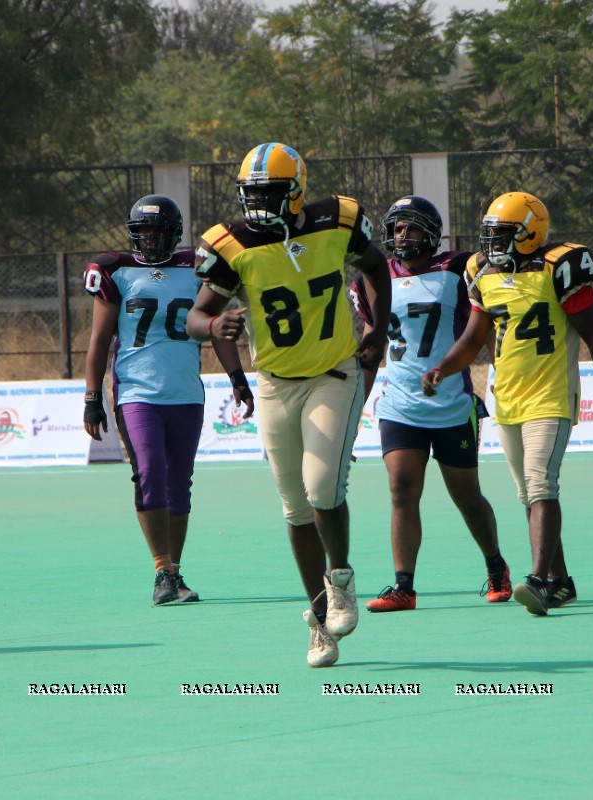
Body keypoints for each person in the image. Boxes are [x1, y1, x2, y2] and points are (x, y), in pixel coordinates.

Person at [186, 142, 389, 667]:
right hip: (275, 382)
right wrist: (213, 325)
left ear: (297, 191)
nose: (259, 204)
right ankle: (320, 619)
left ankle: (339, 578)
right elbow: (196, 314)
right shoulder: (233, 244)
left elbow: (376, 267)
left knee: (323, 487)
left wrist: (379, 330)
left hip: (334, 372)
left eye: (271, 193)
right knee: (296, 508)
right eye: (252, 194)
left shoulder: (337, 221)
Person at [423, 191, 593, 616]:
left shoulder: (559, 269)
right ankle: (560, 582)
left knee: (541, 485)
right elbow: (472, 338)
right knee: (527, 493)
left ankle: (538, 580)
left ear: (529, 232)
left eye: (502, 235)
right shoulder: (484, 276)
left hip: (550, 395)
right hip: (507, 398)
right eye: (490, 236)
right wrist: (442, 368)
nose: (492, 245)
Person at [84, 194, 252, 606]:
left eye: (159, 232)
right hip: (137, 391)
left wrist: (237, 378)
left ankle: (174, 575)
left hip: (186, 393)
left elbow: (215, 327)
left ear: (174, 234)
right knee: (150, 474)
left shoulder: (195, 269)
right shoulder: (117, 271)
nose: (151, 240)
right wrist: (92, 396)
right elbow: (100, 340)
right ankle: (162, 570)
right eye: (144, 232)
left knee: (180, 484)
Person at [351, 196, 510, 613]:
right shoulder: (373, 276)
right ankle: (404, 586)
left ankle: (496, 566)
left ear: (432, 233)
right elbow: (371, 348)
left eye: (413, 227)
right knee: (401, 490)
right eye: (398, 228)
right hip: (399, 403)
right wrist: (351, 416)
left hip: (451, 403)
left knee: (467, 496)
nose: (403, 236)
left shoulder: (458, 269)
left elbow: (479, 326)